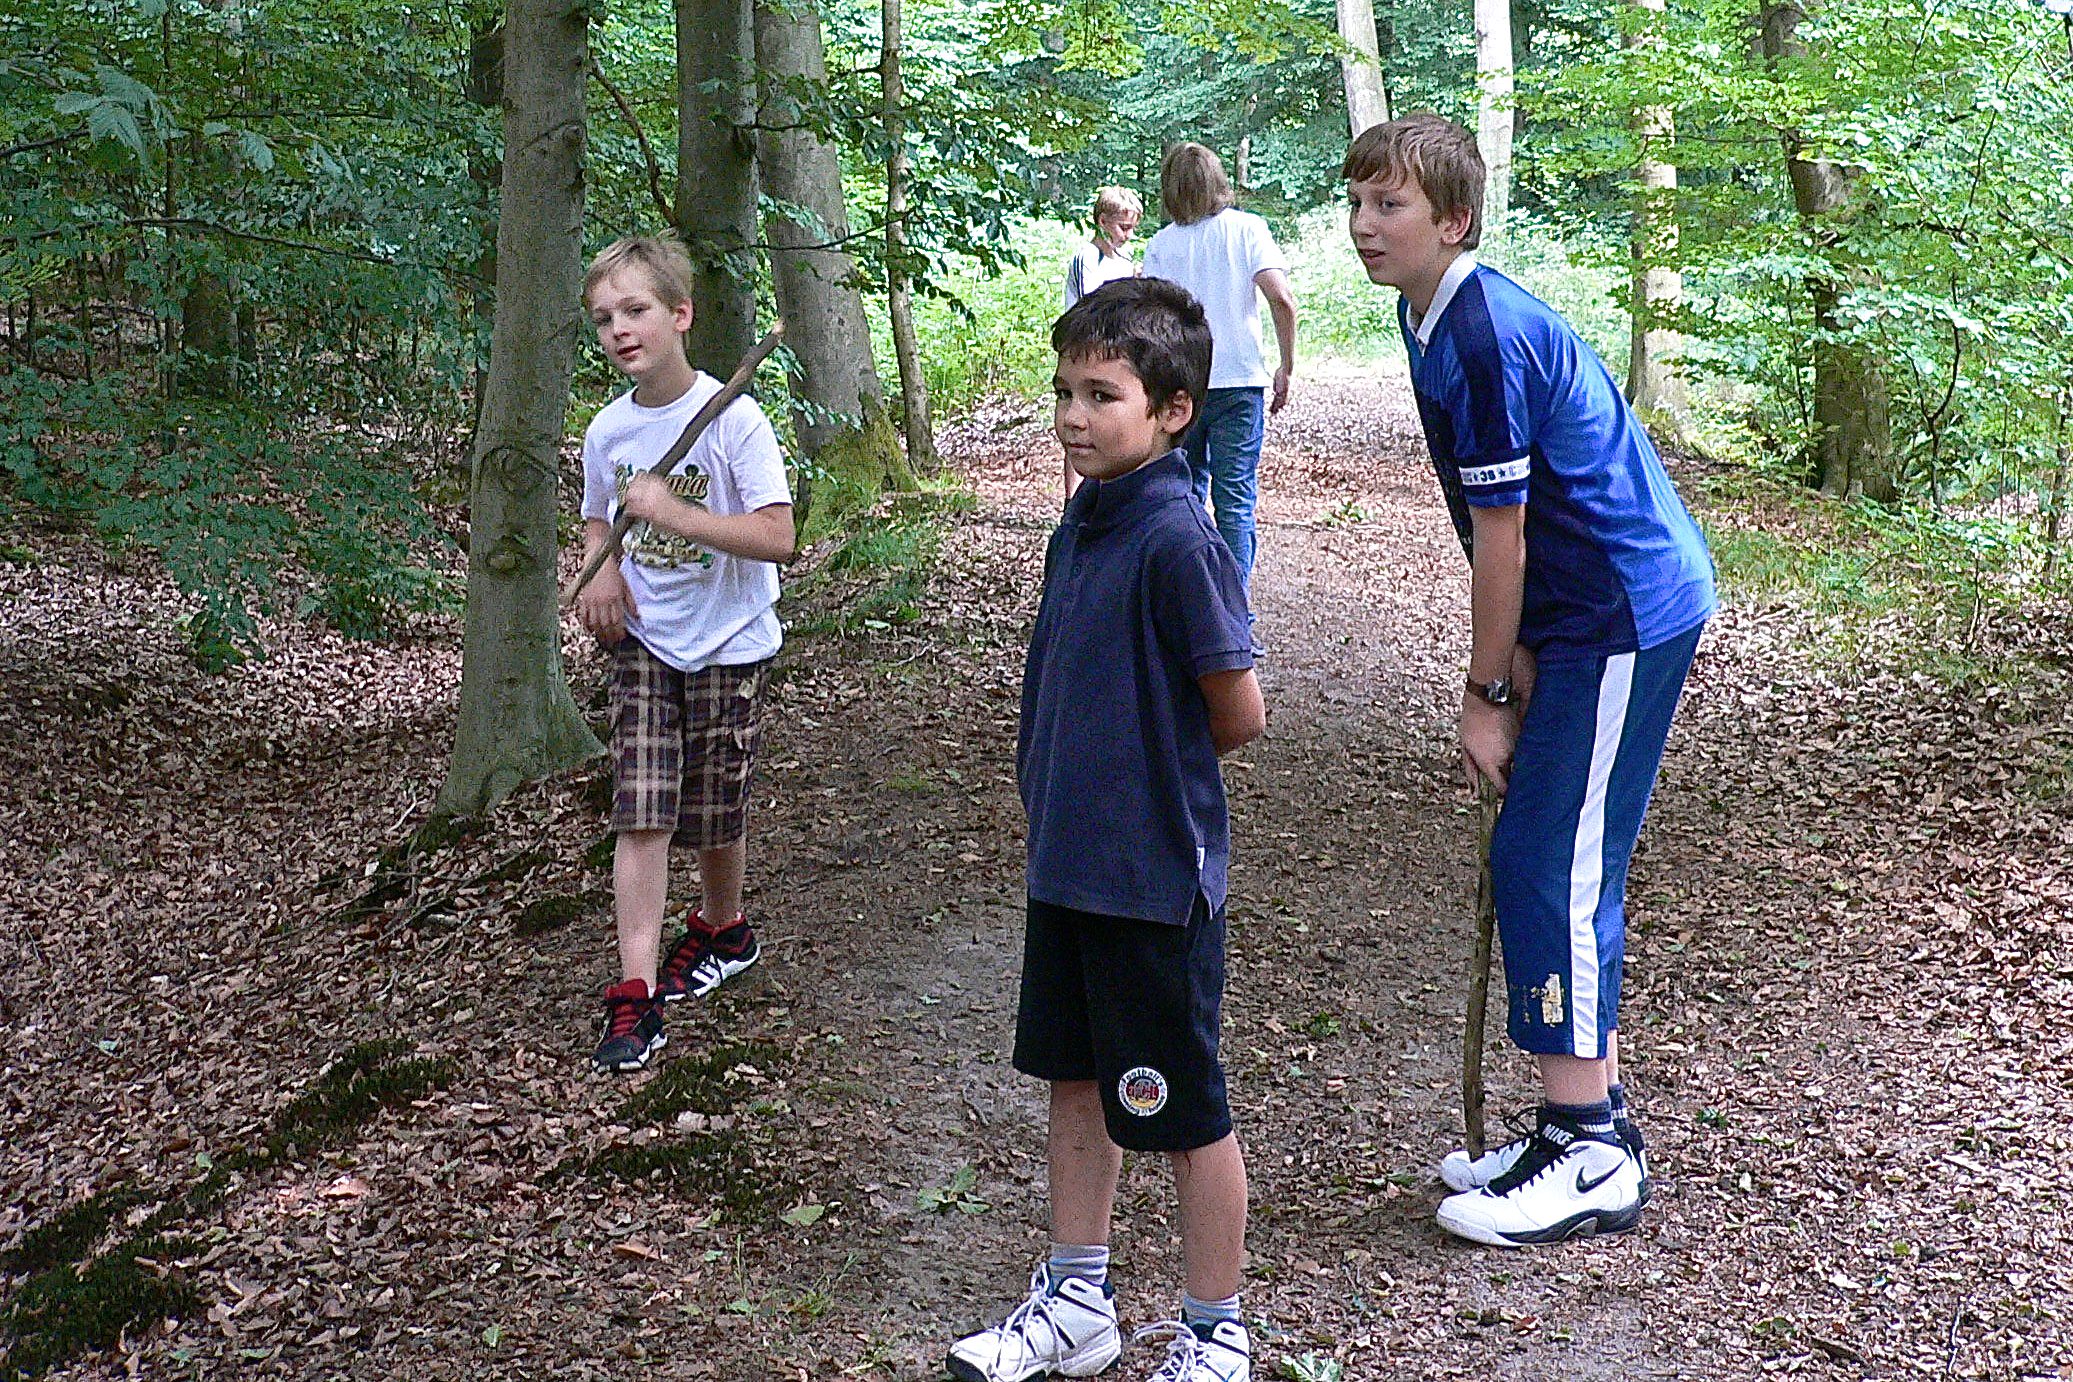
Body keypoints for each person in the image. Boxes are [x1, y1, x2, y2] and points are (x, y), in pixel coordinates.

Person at [1343, 114, 1715, 1246]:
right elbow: (1491, 515)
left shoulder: (1483, 332)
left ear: (1455, 221)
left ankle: (1591, 1152)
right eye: (1355, 202)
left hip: (1620, 609)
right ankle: (1579, 1123)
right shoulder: (1426, 316)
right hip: (1576, 616)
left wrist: (1487, 693)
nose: (1363, 224)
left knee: (1554, 861)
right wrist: (1516, 654)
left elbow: (1501, 536)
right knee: (1544, 853)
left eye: (1389, 205)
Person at [947, 278, 1266, 1382]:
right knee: (1074, 1078)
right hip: (1069, 868)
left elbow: (1239, 710)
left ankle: (1216, 1332)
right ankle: (1079, 1299)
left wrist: (1140, 768)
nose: (1073, 417)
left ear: (1173, 410)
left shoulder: (1178, 537)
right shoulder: (1084, 515)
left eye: (1101, 395)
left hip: (1148, 879)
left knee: (1181, 1109)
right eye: (1063, 392)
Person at [574, 233, 796, 1074]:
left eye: (635, 310)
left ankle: (721, 928)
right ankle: (635, 992)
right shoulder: (607, 430)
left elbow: (777, 536)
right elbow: (598, 518)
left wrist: (674, 514)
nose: (619, 330)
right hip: (645, 643)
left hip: (729, 643)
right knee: (642, 809)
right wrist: (597, 572)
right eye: (604, 319)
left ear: (680, 314)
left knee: (712, 809)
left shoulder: (733, 418)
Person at [1137, 143, 1298, 630]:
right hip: (1239, 383)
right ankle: (1231, 615)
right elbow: (1282, 300)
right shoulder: (1248, 230)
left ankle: (1187, 603)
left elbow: (1150, 321)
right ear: (1218, 181)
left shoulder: (1161, 245)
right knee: (1236, 501)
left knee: (1184, 495)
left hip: (1183, 388)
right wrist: (1287, 365)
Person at [1062, 186, 1145, 501]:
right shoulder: (1086, 258)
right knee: (1079, 420)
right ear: (1102, 222)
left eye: (1132, 228)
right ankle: (1073, 498)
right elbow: (1091, 306)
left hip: (1116, 353)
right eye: (1123, 227)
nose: (1128, 235)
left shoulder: (1124, 260)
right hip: (1083, 349)